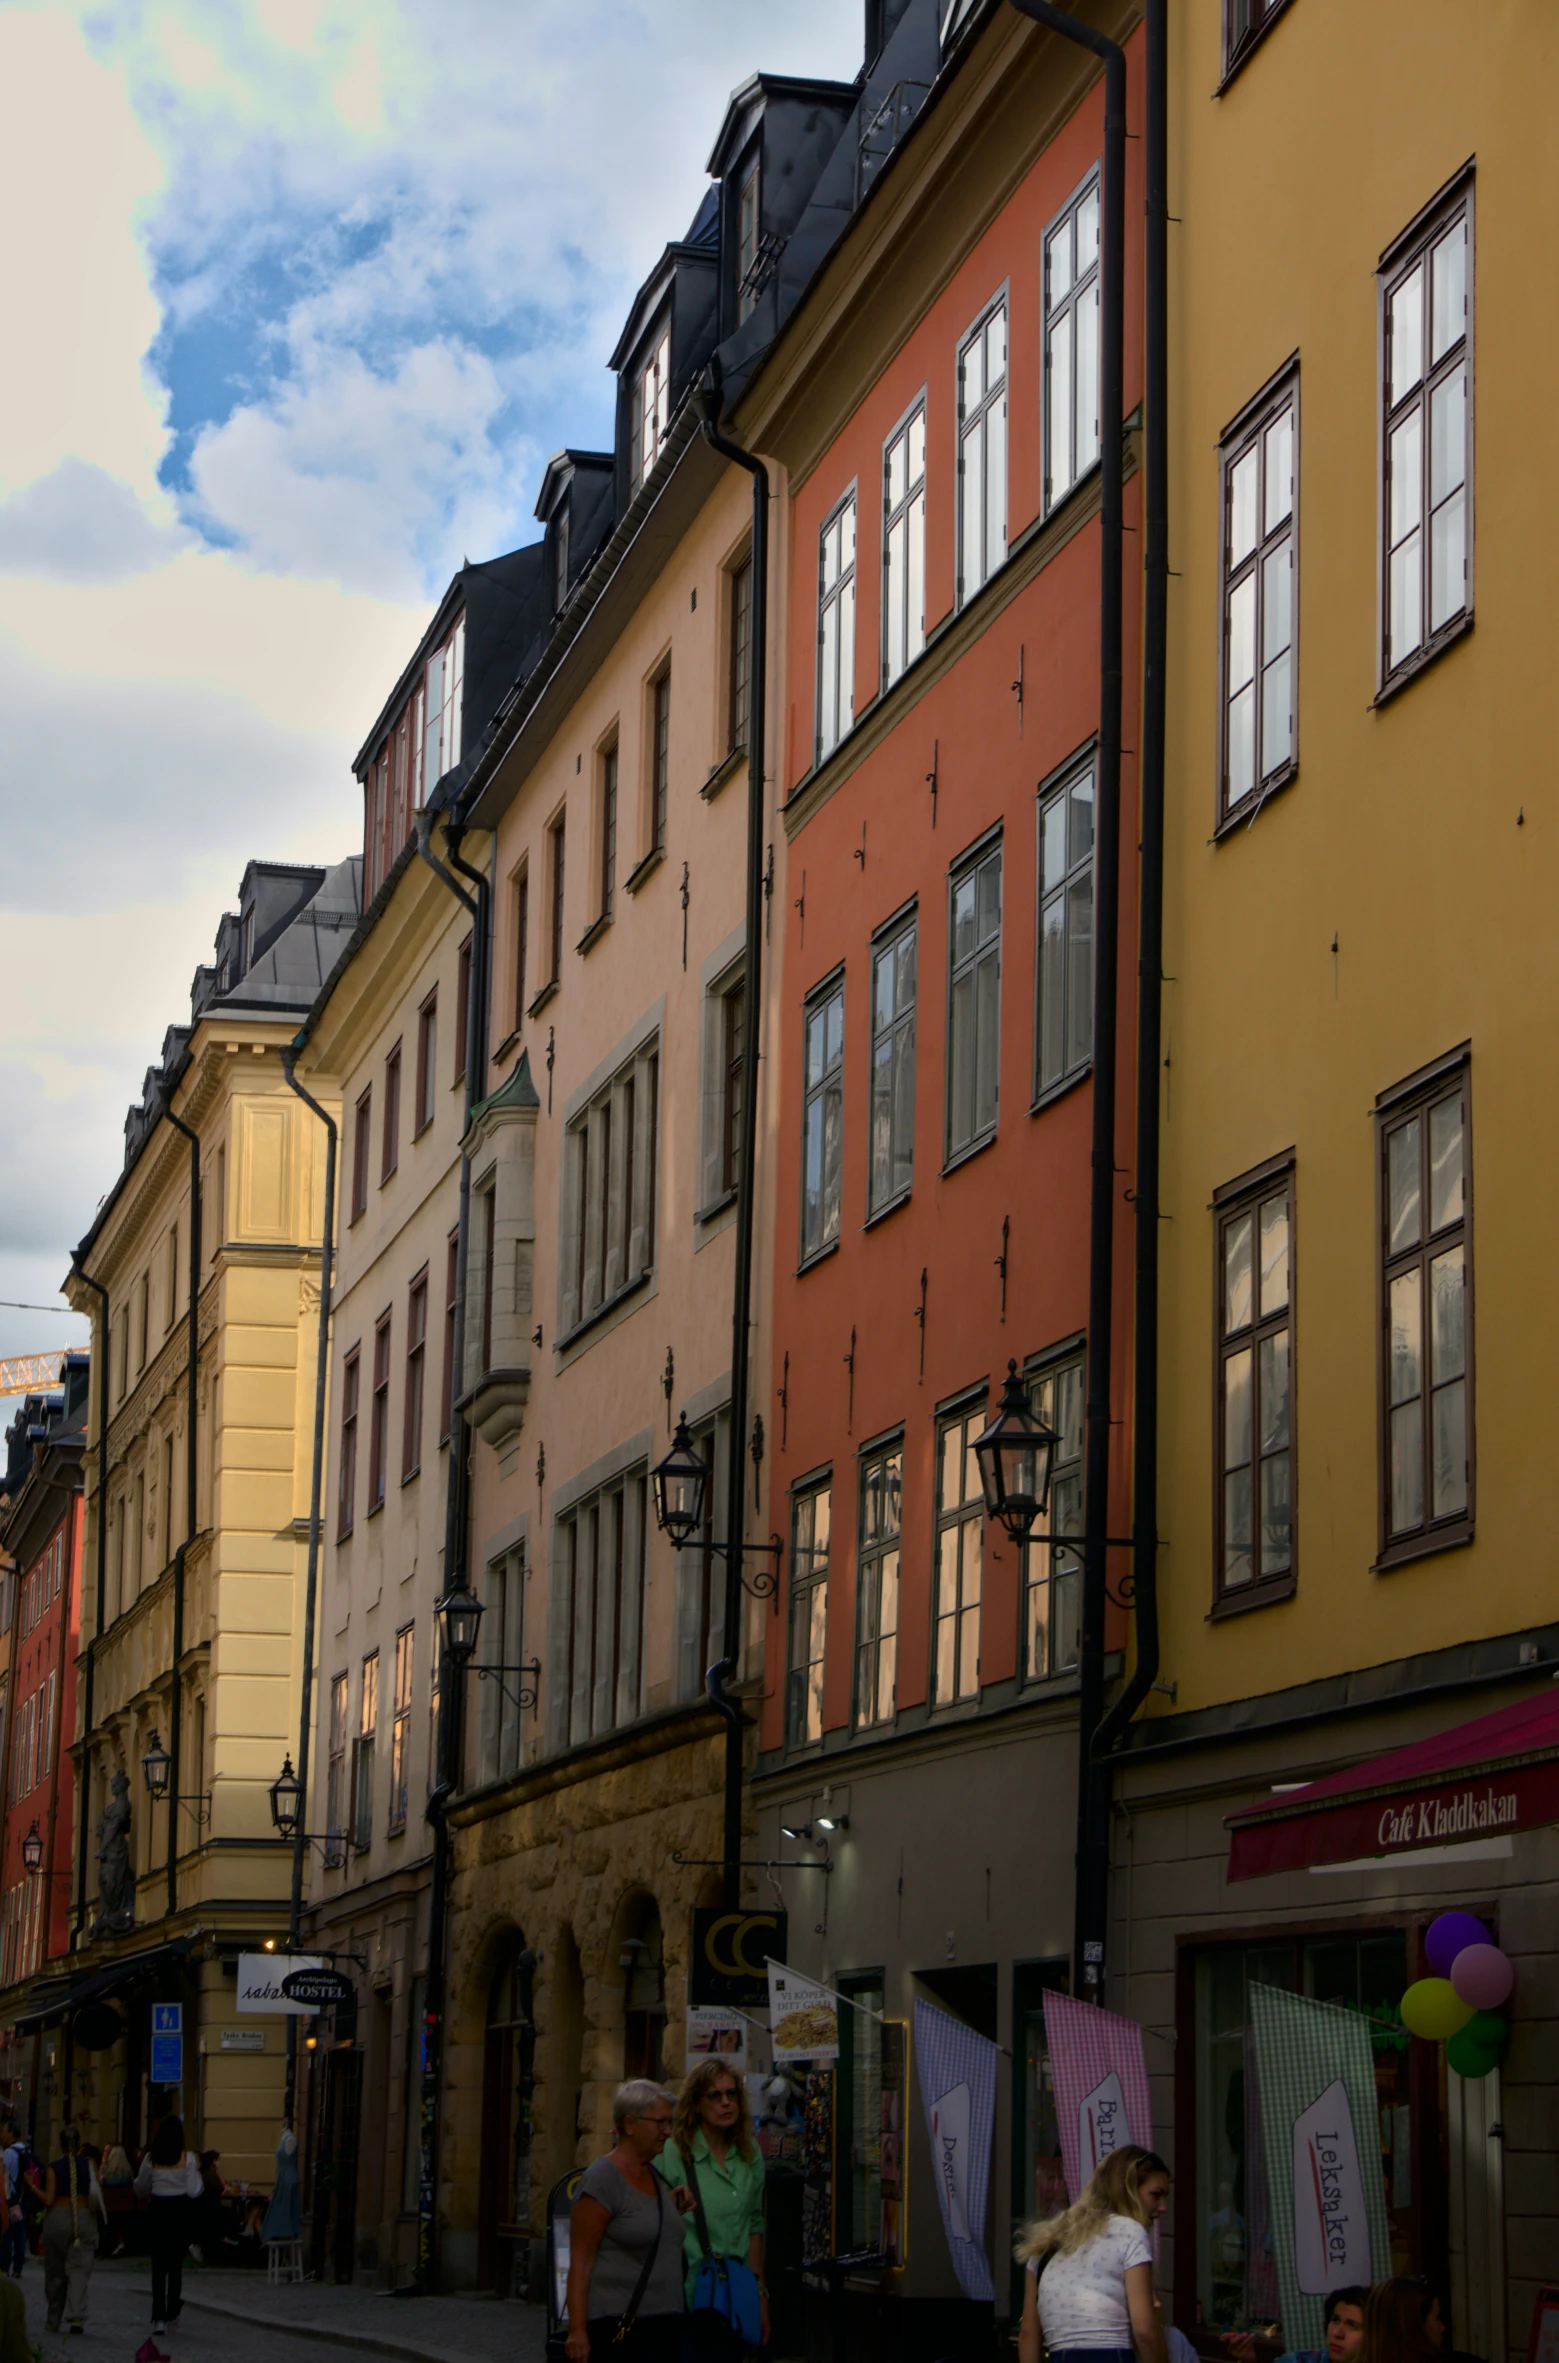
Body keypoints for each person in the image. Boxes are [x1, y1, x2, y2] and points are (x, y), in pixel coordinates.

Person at [564, 2080, 689, 2362]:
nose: (667, 2131)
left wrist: (671, 2207)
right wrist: (577, 2331)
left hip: (665, 2323)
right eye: (660, 2122)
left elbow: (638, 2224)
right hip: (619, 2326)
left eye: (670, 2123)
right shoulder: (602, 2178)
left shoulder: (655, 2176)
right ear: (630, 2124)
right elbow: (581, 2260)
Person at [1015, 2143, 1173, 2363]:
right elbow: (1145, 2330)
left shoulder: (1046, 2245)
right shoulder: (1129, 2232)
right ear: (1127, 2190)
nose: (1163, 2206)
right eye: (1156, 2195)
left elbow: (1028, 2333)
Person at [660, 2057, 768, 2355]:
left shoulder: (749, 2151)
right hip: (690, 2295)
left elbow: (755, 2224)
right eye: (715, 2095)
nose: (726, 2103)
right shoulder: (675, 2152)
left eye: (731, 2094)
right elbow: (648, 2212)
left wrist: (759, 2294)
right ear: (695, 2103)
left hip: (737, 2292)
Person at [133, 2113, 201, 2332]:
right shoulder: (187, 2158)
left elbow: (141, 2188)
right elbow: (194, 2190)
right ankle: (172, 2310)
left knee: (158, 2267)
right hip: (179, 2212)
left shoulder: (151, 2158)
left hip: (158, 2212)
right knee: (175, 2266)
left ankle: (158, 2316)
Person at [41, 2124, 106, 2335]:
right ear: (78, 2144)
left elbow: (49, 2199)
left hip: (58, 2219)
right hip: (84, 2217)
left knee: (55, 2272)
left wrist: (33, 2187)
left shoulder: (53, 2167)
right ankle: (76, 2317)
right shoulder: (89, 2165)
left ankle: (53, 2319)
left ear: (60, 2144)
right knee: (79, 2270)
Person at [1224, 2286, 1370, 2363]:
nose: (1337, 2333)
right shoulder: (1298, 2361)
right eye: (1335, 2320)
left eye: (1352, 2326)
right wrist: (1249, 2362)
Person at [0, 2125, 23, 2280]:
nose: (2, 2134)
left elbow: (2, 2175)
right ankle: (18, 2267)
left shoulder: (8, 2153)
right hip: (21, 2196)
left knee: (7, 2232)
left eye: (4, 2130)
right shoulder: (24, 2149)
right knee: (19, 2233)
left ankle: (4, 2266)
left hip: (8, 2196)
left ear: (10, 2133)